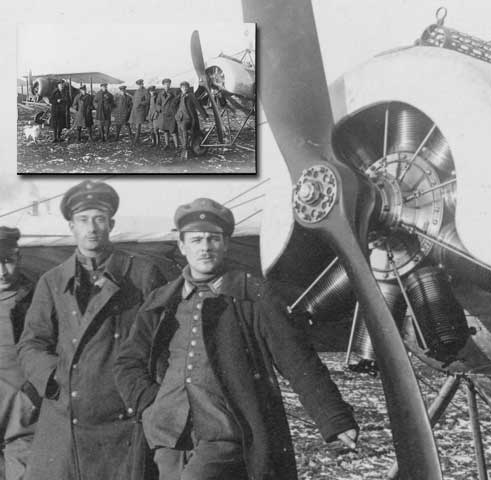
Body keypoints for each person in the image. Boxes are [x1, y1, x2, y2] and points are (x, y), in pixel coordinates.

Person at [115, 198, 358, 480]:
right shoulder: (162, 301)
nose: (205, 248)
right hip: (167, 433)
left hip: (226, 431)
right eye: (196, 240)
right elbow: (128, 361)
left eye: (213, 239)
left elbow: (296, 359)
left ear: (226, 244)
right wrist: (150, 404)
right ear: (182, 246)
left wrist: (334, 418)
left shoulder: (252, 295)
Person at [18, 180, 166, 480]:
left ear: (111, 223)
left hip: (124, 418)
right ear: (71, 226)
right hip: (66, 416)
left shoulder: (142, 273)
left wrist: (149, 396)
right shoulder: (52, 281)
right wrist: (57, 378)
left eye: (99, 219)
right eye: (83, 220)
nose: (92, 228)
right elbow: (31, 344)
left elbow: (162, 342)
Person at [0, 227, 38, 480]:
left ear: (19, 257)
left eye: (8, 261)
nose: (2, 272)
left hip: (22, 409)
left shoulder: (38, 296)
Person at [175, 81, 208, 159]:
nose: (185, 89)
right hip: (180, 118)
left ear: (188, 88)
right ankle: (185, 147)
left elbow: (198, 105)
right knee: (181, 134)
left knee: (185, 133)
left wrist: (204, 115)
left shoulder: (191, 96)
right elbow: (173, 104)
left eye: (186, 87)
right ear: (181, 88)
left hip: (189, 118)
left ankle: (185, 149)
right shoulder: (180, 96)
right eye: (183, 87)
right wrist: (176, 114)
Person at [156, 79, 179, 151]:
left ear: (170, 84)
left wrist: (174, 111)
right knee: (165, 131)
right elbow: (157, 104)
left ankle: (177, 146)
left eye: (168, 84)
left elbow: (177, 103)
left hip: (171, 115)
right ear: (163, 85)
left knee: (173, 131)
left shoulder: (174, 93)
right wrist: (160, 109)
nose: (167, 85)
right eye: (165, 84)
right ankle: (167, 144)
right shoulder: (160, 94)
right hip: (164, 115)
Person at [131, 79, 150, 146]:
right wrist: (134, 103)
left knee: (138, 125)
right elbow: (133, 99)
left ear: (143, 84)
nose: (140, 85)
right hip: (135, 110)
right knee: (136, 126)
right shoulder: (137, 91)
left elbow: (148, 101)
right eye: (139, 84)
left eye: (141, 84)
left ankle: (136, 140)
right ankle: (136, 139)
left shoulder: (145, 91)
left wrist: (140, 103)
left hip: (141, 110)